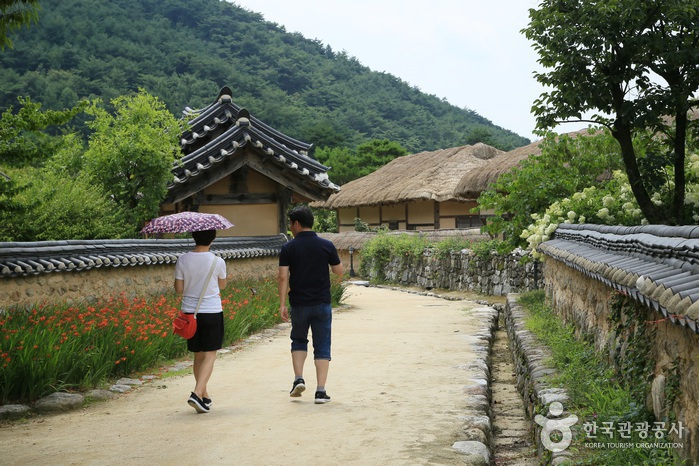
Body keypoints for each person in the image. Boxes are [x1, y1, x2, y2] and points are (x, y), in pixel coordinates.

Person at [278, 205, 343, 404]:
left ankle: (298, 378)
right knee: (322, 346)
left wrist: (282, 304)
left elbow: (282, 277)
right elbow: (338, 271)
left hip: (299, 304)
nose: (290, 227)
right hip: (322, 303)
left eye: (290, 223)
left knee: (298, 340)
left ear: (296, 224)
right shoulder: (326, 245)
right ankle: (321, 391)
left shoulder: (288, 248)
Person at [174, 229, 227, 413]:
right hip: (211, 311)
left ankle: (204, 396)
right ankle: (196, 393)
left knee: (198, 354)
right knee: (210, 354)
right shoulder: (218, 261)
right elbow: (223, 285)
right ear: (213, 239)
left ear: (193, 237)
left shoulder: (182, 259)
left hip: (189, 313)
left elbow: (179, 289)